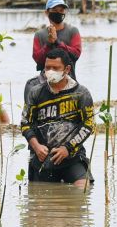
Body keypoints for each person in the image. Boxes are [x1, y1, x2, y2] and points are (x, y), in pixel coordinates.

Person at [21, 48, 95, 187]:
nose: (50, 71)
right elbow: (25, 123)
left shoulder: (81, 93)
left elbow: (89, 125)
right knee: (40, 198)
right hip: (43, 157)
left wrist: (67, 148)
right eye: (47, 67)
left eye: (55, 68)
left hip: (72, 156)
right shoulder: (35, 92)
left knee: (83, 189)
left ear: (67, 69)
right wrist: (36, 146)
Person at [32, 0, 82, 78]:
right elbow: (37, 59)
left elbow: (75, 55)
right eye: (54, 10)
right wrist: (48, 44)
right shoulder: (39, 35)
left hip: (68, 79)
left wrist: (57, 42)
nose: (58, 13)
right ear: (47, 12)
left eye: (61, 10)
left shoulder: (73, 31)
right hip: (45, 81)